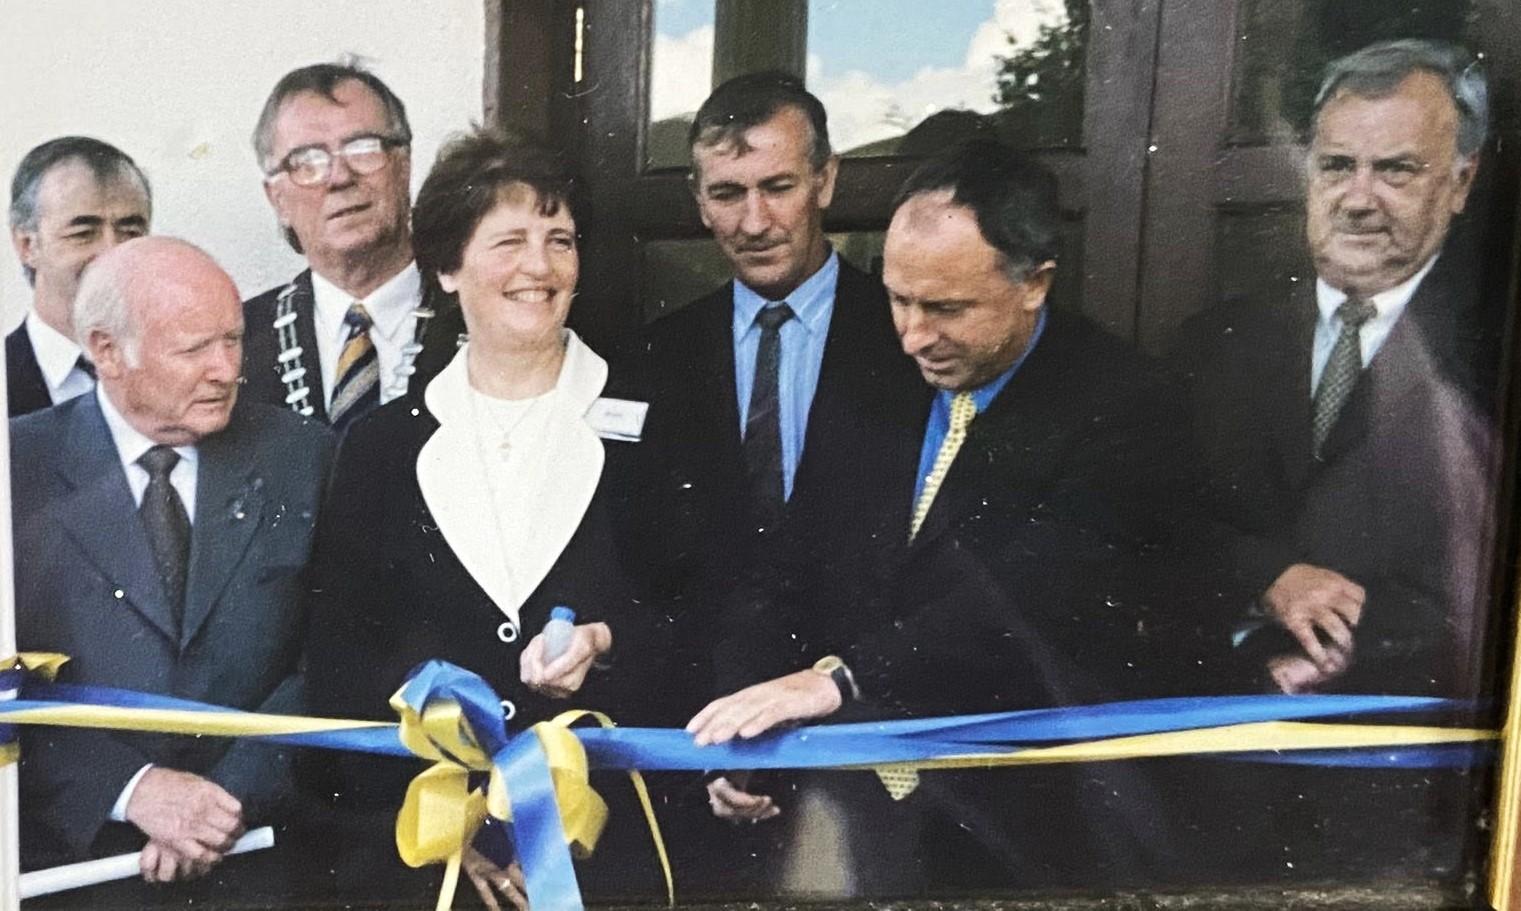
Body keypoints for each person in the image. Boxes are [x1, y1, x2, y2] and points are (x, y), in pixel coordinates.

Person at [685, 138, 1203, 895]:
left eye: (946, 308)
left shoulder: (1124, 405)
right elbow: (785, 568)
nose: (912, 335)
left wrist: (838, 680)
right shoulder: (875, 376)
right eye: (899, 299)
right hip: (857, 810)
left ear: (1034, 284)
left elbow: (1028, 599)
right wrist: (741, 733)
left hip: (1025, 829)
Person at [301, 128, 663, 911]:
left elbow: (706, 610)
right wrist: (444, 831)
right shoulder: (381, 445)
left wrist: (605, 643)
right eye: (509, 241)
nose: (540, 266)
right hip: (433, 856)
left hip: (609, 846)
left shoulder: (659, 423)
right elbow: (340, 656)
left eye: (559, 240)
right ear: (446, 266)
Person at [1174, 39, 1501, 884]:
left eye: (1395, 170)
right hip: (1210, 792)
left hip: (1408, 814)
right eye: (1335, 166)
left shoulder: (1496, 358)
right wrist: (1267, 577)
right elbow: (1149, 522)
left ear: (1459, 183)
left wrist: (1348, 642)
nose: (1357, 199)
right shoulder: (1214, 343)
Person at [11, 237, 332, 890]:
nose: (225, 370)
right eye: (193, 349)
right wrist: (132, 789)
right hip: (77, 871)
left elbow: (334, 652)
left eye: (233, 340)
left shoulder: (303, 456)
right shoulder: (15, 470)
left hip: (266, 857)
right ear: (106, 351)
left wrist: (225, 800)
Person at [242, 61, 464, 430]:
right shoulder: (239, 344)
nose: (340, 178)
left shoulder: (477, 314)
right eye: (307, 162)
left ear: (404, 166)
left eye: (363, 149)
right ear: (277, 199)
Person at [6, 136, 151, 416]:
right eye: (83, 234)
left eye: (130, 232)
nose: (111, 251)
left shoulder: (188, 364)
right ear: (27, 246)